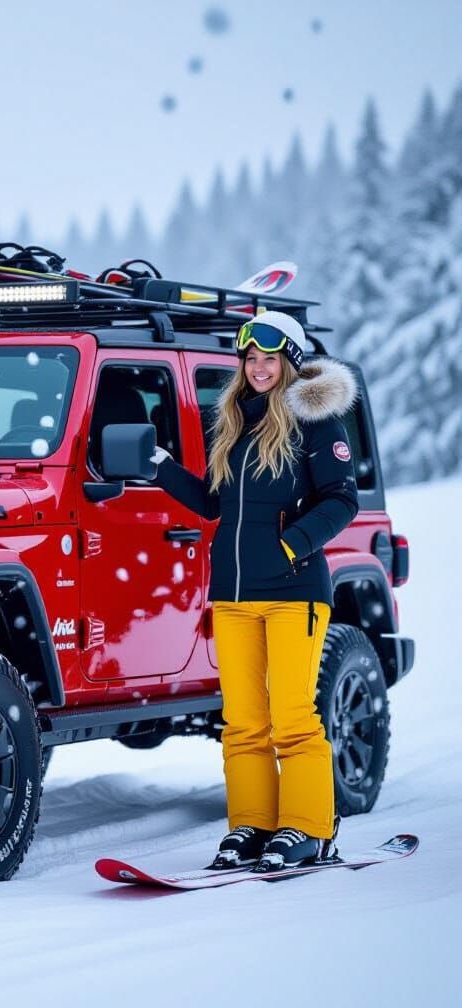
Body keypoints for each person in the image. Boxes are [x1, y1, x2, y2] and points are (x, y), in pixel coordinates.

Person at [151, 310, 359, 871]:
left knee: (293, 717)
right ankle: (251, 826)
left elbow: (342, 500)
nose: (259, 368)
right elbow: (215, 505)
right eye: (250, 358)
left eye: (269, 359)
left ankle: (309, 829)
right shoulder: (236, 425)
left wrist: (291, 546)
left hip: (295, 591)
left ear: (289, 362)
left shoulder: (315, 423)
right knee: (243, 722)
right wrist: (160, 466)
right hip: (236, 596)